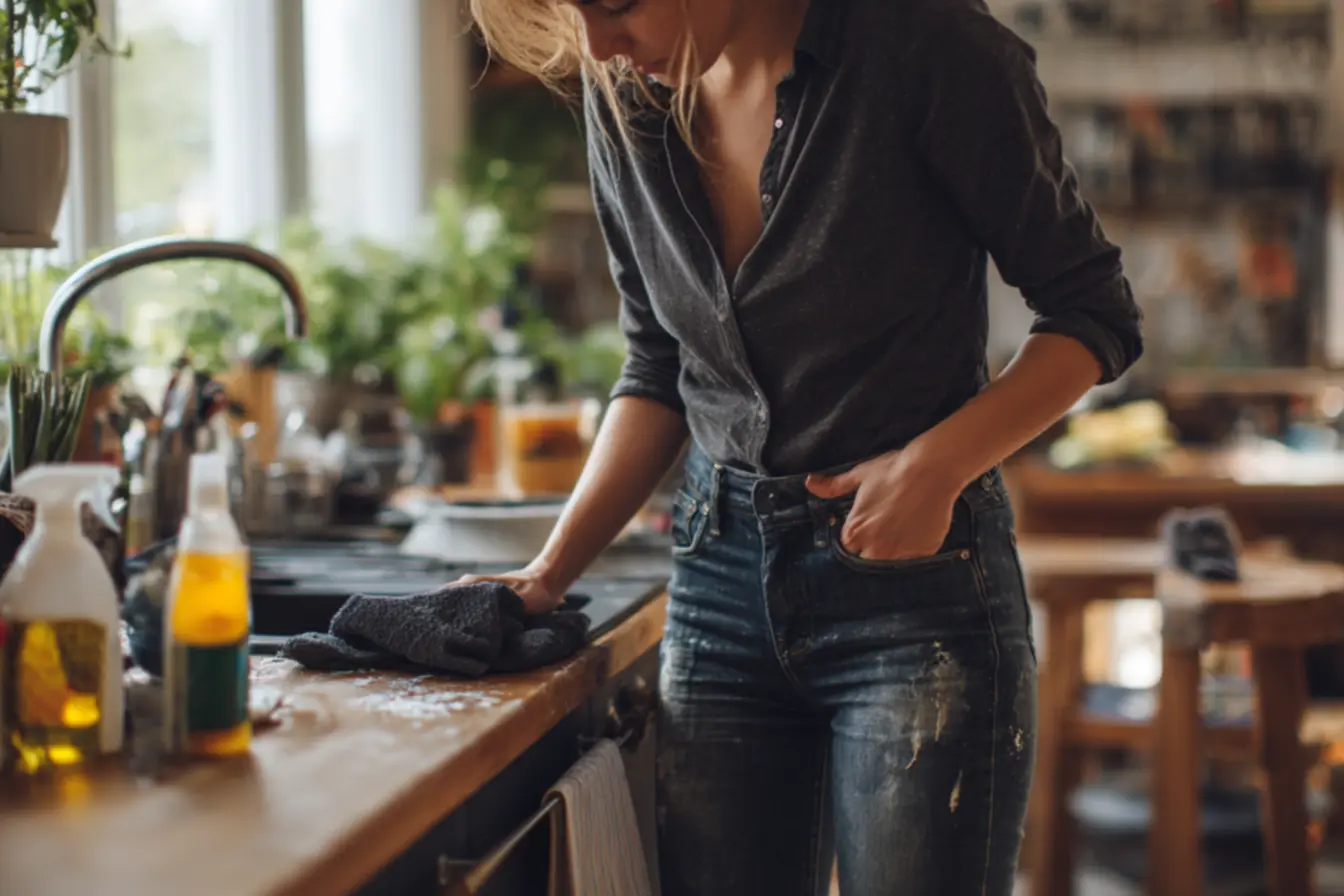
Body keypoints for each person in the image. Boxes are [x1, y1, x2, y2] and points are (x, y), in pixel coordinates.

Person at [460, 0, 1144, 892]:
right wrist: (551, 570)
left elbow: (1092, 312)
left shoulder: (929, 45)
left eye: (618, 5)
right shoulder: (624, 91)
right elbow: (660, 360)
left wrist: (935, 466)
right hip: (717, 588)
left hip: (916, 595)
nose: (595, 47)